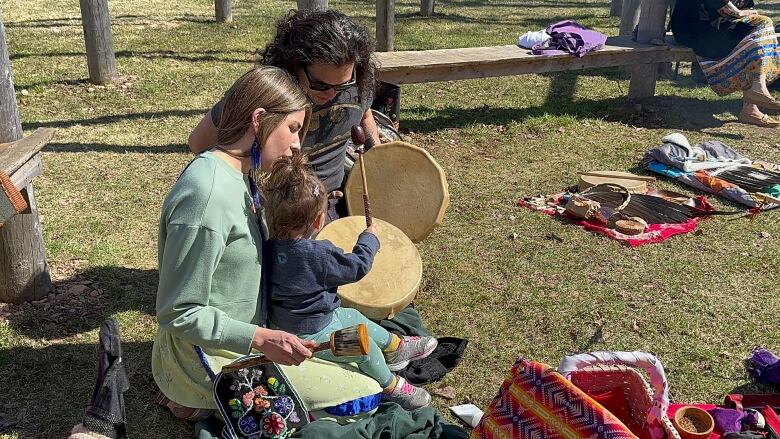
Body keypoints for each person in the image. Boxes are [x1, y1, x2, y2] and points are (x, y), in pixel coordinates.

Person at [152, 66, 321, 421]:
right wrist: (261, 338)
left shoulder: (240, 173)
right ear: (258, 119)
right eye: (292, 129)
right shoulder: (207, 194)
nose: (296, 144)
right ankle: (190, 399)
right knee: (354, 401)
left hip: (242, 339)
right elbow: (177, 311)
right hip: (207, 358)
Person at [261, 153, 438, 411]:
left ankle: (396, 348)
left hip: (300, 322)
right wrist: (370, 239)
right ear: (319, 220)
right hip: (311, 335)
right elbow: (357, 266)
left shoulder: (269, 247)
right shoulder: (319, 254)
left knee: (354, 316)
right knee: (362, 345)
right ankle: (391, 386)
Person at [188, 9, 380, 221]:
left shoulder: (359, 81)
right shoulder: (267, 92)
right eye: (320, 84)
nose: (332, 93)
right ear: (295, 63)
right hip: (278, 214)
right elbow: (199, 142)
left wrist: (383, 156)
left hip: (333, 206)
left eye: (343, 85)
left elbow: (364, 115)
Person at [671, 0, 780, 127]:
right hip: (695, 28)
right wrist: (739, 13)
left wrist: (745, 13)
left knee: (759, 31)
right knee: (763, 24)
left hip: (720, 25)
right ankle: (756, 90)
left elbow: (746, 6)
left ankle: (751, 106)